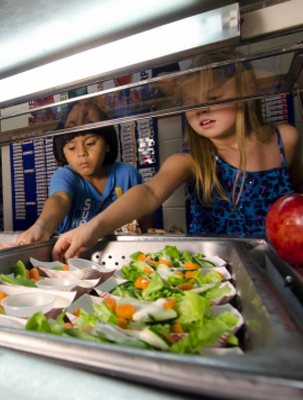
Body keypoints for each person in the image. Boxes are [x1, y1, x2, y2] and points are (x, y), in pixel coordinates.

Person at [52, 50, 303, 262]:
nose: (201, 109)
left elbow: (297, 193)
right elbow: (149, 193)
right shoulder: (191, 159)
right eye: (191, 103)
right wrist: (92, 228)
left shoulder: (285, 139)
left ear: (247, 90)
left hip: (281, 261)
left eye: (214, 98)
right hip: (218, 267)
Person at [16, 101, 155, 245]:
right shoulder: (64, 175)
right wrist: (41, 226)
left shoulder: (128, 174)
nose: (81, 153)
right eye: (71, 148)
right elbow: (59, 199)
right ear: (63, 152)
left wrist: (149, 233)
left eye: (90, 144)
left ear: (107, 145)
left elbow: (145, 215)